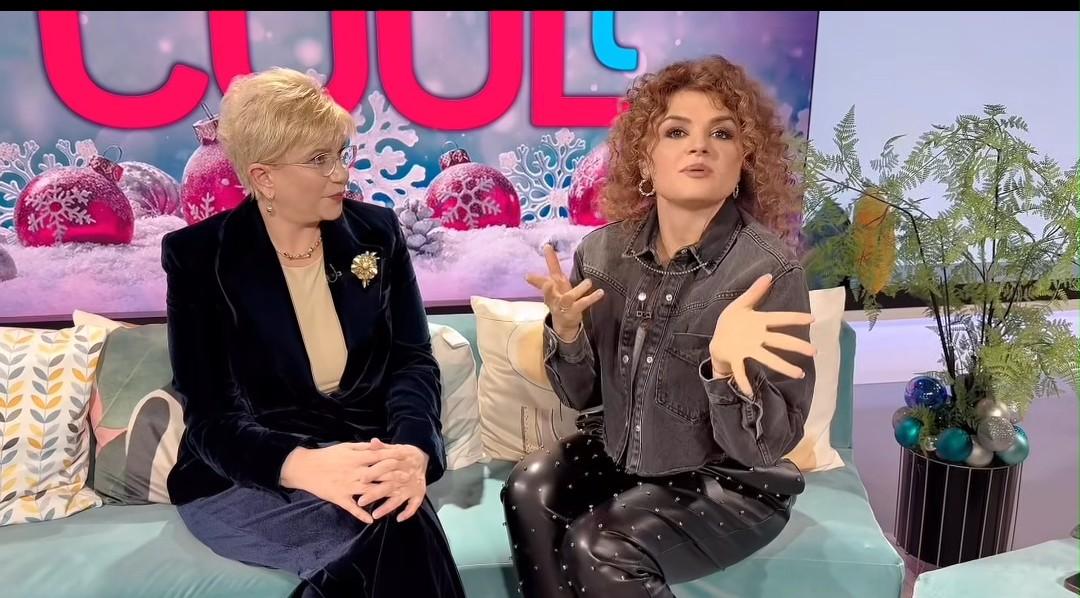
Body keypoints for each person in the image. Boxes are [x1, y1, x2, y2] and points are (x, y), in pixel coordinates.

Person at [502, 55, 818, 597]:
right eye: (676, 132)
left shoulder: (769, 272)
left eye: (721, 133)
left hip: (732, 481)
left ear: (744, 160)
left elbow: (764, 447)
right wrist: (569, 332)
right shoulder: (601, 253)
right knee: (527, 489)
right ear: (645, 160)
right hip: (623, 455)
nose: (700, 147)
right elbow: (581, 397)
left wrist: (726, 369)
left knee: (600, 546)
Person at [161, 67, 465, 598]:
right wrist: (299, 464)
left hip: (361, 454)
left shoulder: (377, 232)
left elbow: (411, 362)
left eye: (341, 154)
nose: (342, 173)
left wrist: (414, 450)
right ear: (264, 178)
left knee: (398, 515)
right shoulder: (198, 257)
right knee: (393, 529)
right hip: (248, 476)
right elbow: (211, 416)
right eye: (320, 159)